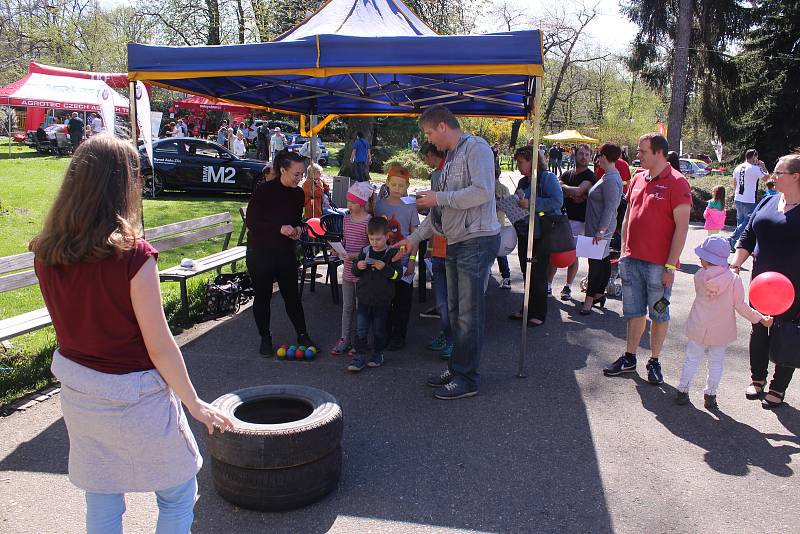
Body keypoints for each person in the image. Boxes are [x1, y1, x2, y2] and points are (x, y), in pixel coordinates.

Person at [30, 135, 233, 533]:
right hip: (136, 396)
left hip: (79, 393)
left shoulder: (46, 252)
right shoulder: (133, 256)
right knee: (178, 493)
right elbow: (159, 344)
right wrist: (194, 402)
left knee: (102, 497)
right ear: (123, 183)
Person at [395, 105, 500, 400]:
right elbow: (439, 211)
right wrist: (414, 238)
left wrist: (438, 196)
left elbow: (483, 191)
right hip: (456, 241)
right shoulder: (451, 158)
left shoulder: (476, 148)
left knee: (468, 314)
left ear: (442, 126)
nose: (429, 140)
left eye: (429, 133)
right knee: (455, 312)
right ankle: (457, 369)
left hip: (476, 241)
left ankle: (467, 378)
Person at [603, 133, 692, 384]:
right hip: (631, 260)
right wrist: (623, 252)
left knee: (659, 314)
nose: (637, 155)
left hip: (659, 265)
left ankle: (654, 360)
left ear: (659, 153)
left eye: (643, 151)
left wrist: (671, 266)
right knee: (633, 312)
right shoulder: (638, 179)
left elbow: (682, 228)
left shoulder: (678, 183)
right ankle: (630, 358)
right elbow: (629, 215)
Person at [730, 153, 800, 408]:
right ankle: (757, 379)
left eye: (779, 173)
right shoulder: (767, 202)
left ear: (795, 177)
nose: (772, 177)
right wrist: (736, 264)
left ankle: (778, 388)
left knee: (787, 332)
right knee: (759, 327)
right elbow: (748, 235)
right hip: (762, 282)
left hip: (794, 286)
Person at [676, 235, 772, 409]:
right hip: (721, 330)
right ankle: (710, 394)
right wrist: (759, 318)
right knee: (716, 362)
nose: (699, 258)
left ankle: (682, 390)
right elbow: (741, 306)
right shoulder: (734, 280)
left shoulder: (699, 276)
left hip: (698, 326)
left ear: (707, 258)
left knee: (691, 358)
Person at [246, 151, 316, 357]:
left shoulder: (297, 194)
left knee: (292, 296)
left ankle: (302, 334)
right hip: (261, 252)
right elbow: (252, 223)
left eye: (302, 174)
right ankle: (265, 338)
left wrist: (298, 229)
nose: (300, 178)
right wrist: (279, 228)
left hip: (285, 252)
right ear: (282, 170)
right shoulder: (264, 191)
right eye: (296, 174)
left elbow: (295, 220)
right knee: (263, 297)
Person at [508, 146, 563, 326]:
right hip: (525, 232)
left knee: (538, 274)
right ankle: (528, 308)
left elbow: (557, 201)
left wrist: (531, 203)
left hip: (542, 233)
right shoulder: (524, 182)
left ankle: (538, 313)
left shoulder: (547, 178)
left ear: (532, 161)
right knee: (526, 272)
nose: (518, 166)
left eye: (521, 162)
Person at [347, 217, 403, 372]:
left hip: (382, 300)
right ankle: (359, 356)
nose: (375, 242)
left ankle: (378, 354)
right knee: (361, 329)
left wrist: (385, 268)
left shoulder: (392, 253)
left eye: (378, 239)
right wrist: (358, 266)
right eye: (371, 239)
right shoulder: (365, 251)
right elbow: (355, 272)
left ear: (387, 236)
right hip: (364, 298)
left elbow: (397, 276)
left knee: (379, 329)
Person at [375, 166, 419, 351]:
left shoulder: (410, 207)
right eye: (393, 184)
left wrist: (411, 261)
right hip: (384, 263)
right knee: (384, 300)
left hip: (403, 262)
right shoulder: (379, 205)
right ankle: (383, 333)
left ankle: (399, 335)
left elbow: (415, 235)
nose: (397, 189)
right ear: (387, 183)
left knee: (402, 301)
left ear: (407, 186)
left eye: (401, 186)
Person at [331, 181, 374, 356]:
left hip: (363, 271)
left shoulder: (369, 221)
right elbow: (346, 241)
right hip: (348, 269)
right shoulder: (346, 219)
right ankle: (344, 338)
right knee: (347, 307)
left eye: (354, 202)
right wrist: (338, 249)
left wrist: (355, 255)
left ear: (362, 202)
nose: (349, 205)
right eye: (349, 201)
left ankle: (360, 340)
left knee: (362, 307)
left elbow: (371, 248)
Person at [580, 143, 623, 314]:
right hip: (598, 226)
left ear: (604, 157)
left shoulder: (611, 178)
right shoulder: (609, 176)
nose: (597, 159)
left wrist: (601, 230)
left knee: (595, 264)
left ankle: (589, 300)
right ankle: (598, 294)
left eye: (598, 155)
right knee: (603, 261)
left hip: (600, 228)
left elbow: (610, 207)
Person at [549, 143, 595, 300]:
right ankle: (548, 285)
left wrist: (568, 191)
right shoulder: (567, 173)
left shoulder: (590, 176)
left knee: (573, 255)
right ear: (575, 155)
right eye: (581, 154)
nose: (584, 157)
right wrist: (570, 192)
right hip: (563, 219)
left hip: (580, 221)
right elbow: (557, 187)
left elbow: (579, 191)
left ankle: (568, 287)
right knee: (556, 251)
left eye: (587, 155)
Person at [729, 149, 770, 251]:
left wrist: (737, 192)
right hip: (749, 199)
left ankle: (736, 243)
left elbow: (734, 182)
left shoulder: (738, 167)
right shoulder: (754, 168)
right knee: (747, 223)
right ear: (754, 157)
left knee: (741, 222)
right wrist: (763, 166)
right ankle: (732, 240)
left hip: (738, 197)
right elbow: (767, 178)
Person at [494, 162, 512, 290]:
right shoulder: (503, 188)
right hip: (495, 225)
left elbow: (506, 205)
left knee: (500, 253)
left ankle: (506, 277)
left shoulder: (502, 189)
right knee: (499, 252)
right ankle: (506, 278)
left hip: (496, 225)